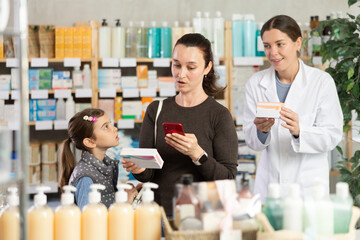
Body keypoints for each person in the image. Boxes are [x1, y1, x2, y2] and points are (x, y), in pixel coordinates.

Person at [122, 33, 238, 216]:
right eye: (176, 65)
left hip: (203, 217)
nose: (180, 74)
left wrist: (198, 154)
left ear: (207, 67)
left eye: (191, 67)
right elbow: (148, 175)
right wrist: (140, 168)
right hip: (158, 212)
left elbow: (228, 178)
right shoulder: (156, 110)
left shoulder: (219, 115)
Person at [243, 15, 343, 202]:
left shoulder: (321, 82)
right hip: (270, 187)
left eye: (280, 44)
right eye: (267, 46)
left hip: (308, 190)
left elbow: (332, 136)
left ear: (298, 43)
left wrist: (300, 131)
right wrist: (261, 132)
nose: (273, 52)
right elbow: (252, 141)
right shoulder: (256, 84)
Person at [59, 108, 136, 209]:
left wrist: (122, 194)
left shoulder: (104, 165)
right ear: (90, 142)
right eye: (106, 127)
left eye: (110, 124)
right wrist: (125, 204)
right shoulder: (86, 178)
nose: (115, 129)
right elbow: (89, 221)